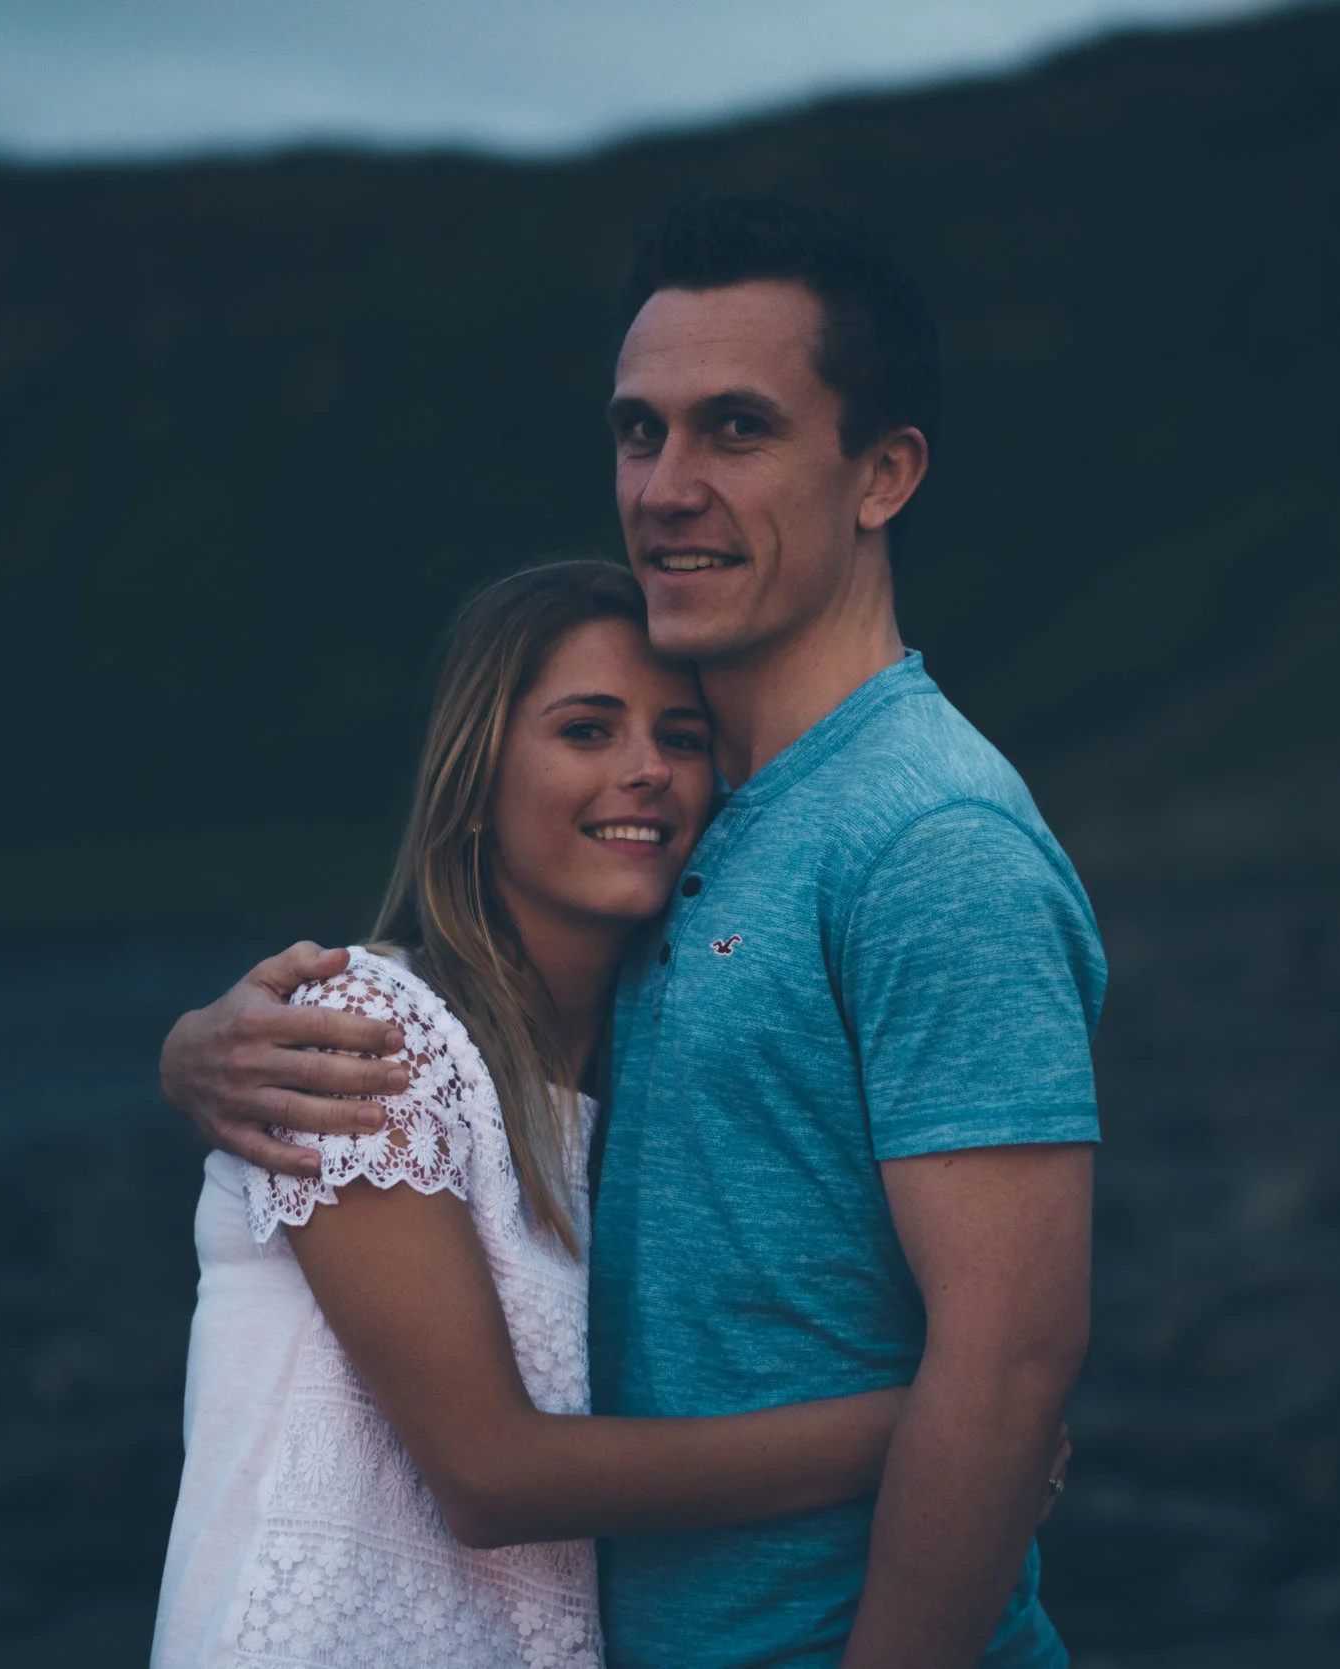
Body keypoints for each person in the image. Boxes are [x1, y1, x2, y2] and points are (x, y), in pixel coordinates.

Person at [162, 194, 1105, 1668]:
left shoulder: (931, 842)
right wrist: (200, 1056)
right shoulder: (692, 837)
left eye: (737, 429)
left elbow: (1012, 1362)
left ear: (884, 473)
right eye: (638, 431)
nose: (667, 486)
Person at [152, 560, 917, 1668]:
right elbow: (490, 1474)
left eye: (683, 738)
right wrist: (928, 1433)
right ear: (476, 780)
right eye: (586, 730)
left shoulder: (640, 1097)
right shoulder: (366, 1033)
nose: (646, 770)